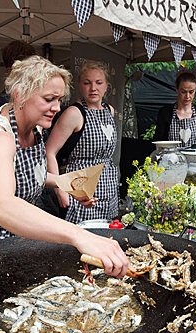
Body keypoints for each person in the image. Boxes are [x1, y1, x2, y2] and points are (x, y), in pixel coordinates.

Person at [0, 56, 130, 278]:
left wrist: (66, 184)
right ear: (20, 94)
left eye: (58, 99)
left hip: (20, 231)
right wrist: (81, 236)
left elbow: (28, 175)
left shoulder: (35, 129)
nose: (57, 108)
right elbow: (2, 206)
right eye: (49, 99)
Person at [46, 60, 119, 224]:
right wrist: (60, 189)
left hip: (108, 187)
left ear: (106, 86)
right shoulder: (74, 113)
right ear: (80, 86)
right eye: (87, 83)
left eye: (98, 83)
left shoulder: (110, 111)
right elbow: (49, 151)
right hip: (80, 188)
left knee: (105, 235)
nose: (93, 88)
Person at [153, 71, 196, 170]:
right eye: (183, 92)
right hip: (171, 167)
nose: (187, 96)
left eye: (191, 92)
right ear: (177, 89)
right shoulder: (165, 113)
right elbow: (158, 143)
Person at [0, 40, 37, 116]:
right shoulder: (4, 103)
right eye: (24, 68)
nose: (32, 72)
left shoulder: (38, 92)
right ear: (10, 71)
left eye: (33, 67)